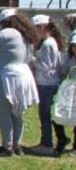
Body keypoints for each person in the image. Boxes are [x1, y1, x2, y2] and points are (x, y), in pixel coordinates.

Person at [0, 9, 40, 157]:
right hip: (24, 75)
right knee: (17, 113)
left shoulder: (7, 33)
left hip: (8, 75)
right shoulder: (26, 36)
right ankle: (17, 145)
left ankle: (7, 147)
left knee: (4, 112)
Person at [29, 15, 67, 156]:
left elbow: (46, 65)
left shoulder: (47, 43)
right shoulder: (50, 42)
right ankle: (47, 141)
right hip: (48, 83)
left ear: (42, 27)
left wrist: (32, 60)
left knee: (44, 115)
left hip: (46, 83)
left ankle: (47, 144)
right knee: (46, 114)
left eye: (35, 29)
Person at [58, 34, 76, 155]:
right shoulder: (68, 58)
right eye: (73, 46)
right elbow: (63, 72)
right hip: (70, 91)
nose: (75, 48)